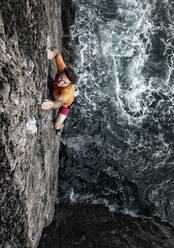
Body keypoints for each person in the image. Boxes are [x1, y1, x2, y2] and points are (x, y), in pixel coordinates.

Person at [42, 47, 78, 131]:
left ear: (69, 85)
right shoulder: (62, 68)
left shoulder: (66, 93)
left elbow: (60, 102)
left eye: (64, 83)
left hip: (66, 104)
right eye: (61, 77)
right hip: (61, 93)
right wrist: (52, 53)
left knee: (57, 126)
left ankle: (62, 126)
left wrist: (52, 105)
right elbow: (57, 51)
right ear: (61, 72)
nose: (60, 82)